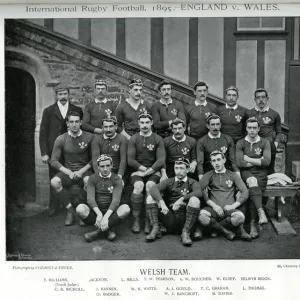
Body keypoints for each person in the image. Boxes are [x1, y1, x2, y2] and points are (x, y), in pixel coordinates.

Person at [39, 83, 83, 217]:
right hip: (54, 150)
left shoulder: (76, 109)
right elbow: (43, 133)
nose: (63, 97)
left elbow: (82, 128)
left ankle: (73, 204)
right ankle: (54, 205)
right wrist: (44, 153)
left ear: (69, 94)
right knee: (54, 177)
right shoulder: (49, 111)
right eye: (60, 94)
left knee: (72, 175)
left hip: (71, 149)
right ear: (56, 95)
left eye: (65, 94)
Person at [50, 111, 94, 226]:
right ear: (67, 124)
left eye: (76, 122)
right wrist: (68, 172)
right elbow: (53, 161)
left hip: (84, 170)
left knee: (88, 181)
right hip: (68, 171)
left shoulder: (89, 137)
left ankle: (83, 210)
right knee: (54, 182)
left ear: (81, 123)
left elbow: (95, 159)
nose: (74, 124)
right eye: (71, 122)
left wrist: (81, 171)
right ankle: (70, 209)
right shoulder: (61, 138)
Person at [76, 155, 130, 243]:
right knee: (80, 209)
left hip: (111, 211)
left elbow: (116, 201)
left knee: (126, 209)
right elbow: (90, 199)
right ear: (98, 167)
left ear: (112, 165)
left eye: (108, 165)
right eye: (102, 166)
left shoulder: (117, 179)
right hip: (96, 211)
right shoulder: (92, 178)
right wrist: (99, 214)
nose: (105, 169)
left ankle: (98, 232)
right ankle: (109, 229)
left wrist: (106, 217)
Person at [148, 158, 202, 246]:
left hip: (186, 218)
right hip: (170, 218)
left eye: (181, 168)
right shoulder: (170, 181)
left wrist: (181, 199)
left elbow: (199, 193)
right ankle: (156, 228)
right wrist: (162, 203)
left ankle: (186, 233)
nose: (178, 171)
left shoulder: (192, 182)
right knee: (150, 197)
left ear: (187, 169)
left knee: (195, 200)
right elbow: (153, 188)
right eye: (176, 168)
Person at [199, 151, 250, 241]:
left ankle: (215, 228)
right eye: (213, 161)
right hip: (213, 210)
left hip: (229, 211)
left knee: (240, 218)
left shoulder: (232, 175)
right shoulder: (209, 175)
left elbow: (245, 191)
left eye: (219, 159)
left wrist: (233, 206)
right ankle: (224, 231)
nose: (216, 163)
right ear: (211, 163)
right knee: (202, 217)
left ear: (224, 160)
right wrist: (214, 206)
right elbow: (198, 189)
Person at [127, 113, 165, 233]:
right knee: (138, 186)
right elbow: (130, 160)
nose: (144, 125)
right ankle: (136, 219)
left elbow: (160, 160)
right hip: (138, 171)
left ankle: (148, 220)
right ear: (139, 123)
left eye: (147, 122)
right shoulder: (134, 138)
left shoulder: (158, 139)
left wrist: (149, 171)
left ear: (151, 123)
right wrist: (144, 171)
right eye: (142, 123)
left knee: (150, 186)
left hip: (154, 171)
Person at [236, 117, 271, 238]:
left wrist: (248, 159)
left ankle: (252, 223)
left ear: (259, 128)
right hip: (246, 172)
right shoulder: (241, 143)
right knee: (252, 181)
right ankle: (259, 214)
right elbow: (239, 163)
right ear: (246, 128)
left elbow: (266, 162)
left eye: (254, 128)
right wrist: (258, 160)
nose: (252, 130)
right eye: (249, 128)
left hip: (261, 173)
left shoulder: (265, 142)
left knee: (254, 188)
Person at [247, 88, 282, 174]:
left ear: (267, 98)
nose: (261, 100)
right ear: (255, 99)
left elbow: (279, 132)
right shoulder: (249, 113)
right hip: (253, 144)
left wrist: (275, 144)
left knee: (269, 171)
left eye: (263, 97)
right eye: (258, 97)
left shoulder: (275, 114)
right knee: (254, 170)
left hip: (269, 145)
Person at [196, 115, 239, 181]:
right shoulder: (201, 141)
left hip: (225, 174)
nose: (215, 127)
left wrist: (238, 176)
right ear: (208, 126)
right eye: (212, 124)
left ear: (220, 125)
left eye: (217, 124)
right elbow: (200, 163)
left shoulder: (228, 139)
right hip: (208, 174)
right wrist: (202, 180)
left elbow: (233, 161)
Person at [91, 116, 128, 185]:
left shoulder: (122, 139)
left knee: (119, 184)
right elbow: (95, 161)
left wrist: (119, 175)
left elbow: (123, 159)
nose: (108, 129)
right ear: (102, 127)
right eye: (105, 127)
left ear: (116, 126)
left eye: (111, 126)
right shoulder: (97, 140)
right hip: (102, 171)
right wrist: (99, 176)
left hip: (117, 171)